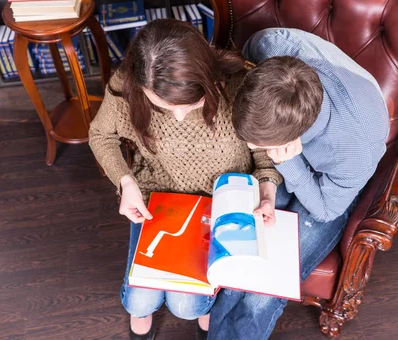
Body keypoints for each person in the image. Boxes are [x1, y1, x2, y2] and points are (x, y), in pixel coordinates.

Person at [88, 19, 281, 340]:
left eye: (191, 105)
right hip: (159, 199)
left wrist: (266, 191)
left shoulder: (239, 82)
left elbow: (263, 150)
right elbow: (100, 135)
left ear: (207, 77)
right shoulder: (128, 85)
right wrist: (126, 184)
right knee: (139, 300)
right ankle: (148, 315)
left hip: (222, 202)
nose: (178, 117)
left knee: (187, 307)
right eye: (163, 107)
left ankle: (205, 309)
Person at [208, 28, 390, 340]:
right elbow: (249, 54)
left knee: (265, 291)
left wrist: (288, 162)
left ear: (291, 140)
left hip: (330, 191)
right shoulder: (272, 46)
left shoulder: (357, 150)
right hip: (290, 151)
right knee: (235, 255)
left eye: (258, 145)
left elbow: (324, 210)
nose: (252, 151)